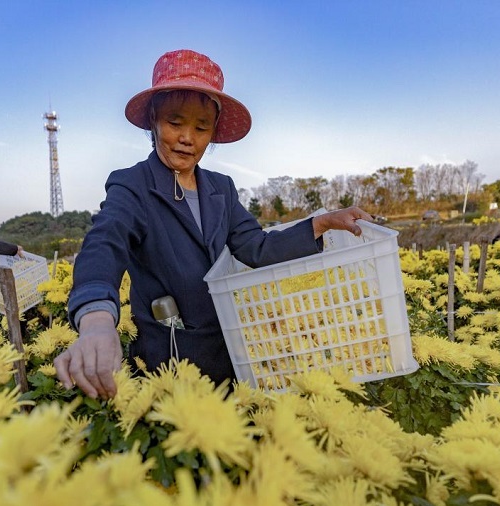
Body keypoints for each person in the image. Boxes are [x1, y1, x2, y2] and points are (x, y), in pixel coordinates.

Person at [53, 49, 373, 399]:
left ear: (213, 133)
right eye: (175, 123)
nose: (188, 137)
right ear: (154, 122)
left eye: (201, 127)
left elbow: (256, 246)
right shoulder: (133, 185)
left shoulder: (221, 189)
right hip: (166, 362)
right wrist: (97, 319)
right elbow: (104, 243)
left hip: (227, 352)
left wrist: (320, 223)